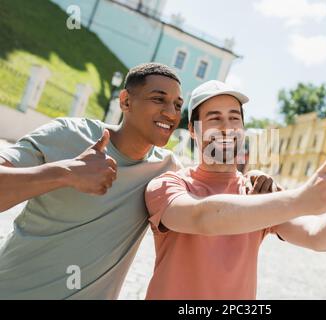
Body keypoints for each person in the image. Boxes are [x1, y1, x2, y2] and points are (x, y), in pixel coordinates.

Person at [144, 80, 326, 300]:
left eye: (234, 118)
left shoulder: (260, 193)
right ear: (192, 130)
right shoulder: (168, 185)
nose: (227, 128)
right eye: (214, 118)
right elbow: (202, 218)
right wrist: (302, 198)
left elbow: (318, 237)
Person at [0, 63, 188, 299]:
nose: (171, 113)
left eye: (178, 105)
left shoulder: (168, 171)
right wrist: (66, 173)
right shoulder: (67, 134)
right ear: (126, 101)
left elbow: (210, 207)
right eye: (158, 99)